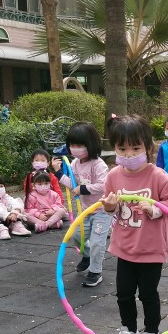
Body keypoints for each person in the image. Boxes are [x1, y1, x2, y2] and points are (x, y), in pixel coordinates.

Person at [101, 116, 168, 334]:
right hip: (124, 246)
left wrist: (155, 208)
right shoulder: (113, 176)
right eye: (122, 149)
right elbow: (109, 206)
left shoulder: (157, 176)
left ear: (148, 147)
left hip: (151, 248)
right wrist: (109, 207)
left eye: (136, 148)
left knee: (148, 294)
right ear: (115, 148)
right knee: (124, 293)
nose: (129, 154)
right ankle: (128, 330)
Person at [59, 121, 109, 287]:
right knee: (76, 236)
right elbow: (73, 186)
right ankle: (87, 256)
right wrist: (59, 174)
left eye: (80, 145)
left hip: (101, 210)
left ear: (91, 144)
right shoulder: (74, 163)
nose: (75, 149)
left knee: (97, 242)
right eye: (72, 145)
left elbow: (103, 185)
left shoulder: (98, 164)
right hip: (85, 210)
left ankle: (95, 272)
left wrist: (83, 189)